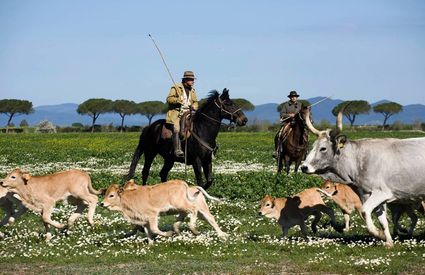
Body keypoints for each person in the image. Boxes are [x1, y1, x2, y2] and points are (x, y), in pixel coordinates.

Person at [166, 71, 199, 157]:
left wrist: (194, 106)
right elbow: (169, 99)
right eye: (191, 80)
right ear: (186, 80)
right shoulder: (176, 87)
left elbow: (195, 102)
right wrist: (177, 100)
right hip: (178, 113)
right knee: (176, 128)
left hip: (190, 113)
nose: (193, 81)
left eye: (193, 79)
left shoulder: (192, 90)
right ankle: (177, 149)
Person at [272, 91, 303, 159]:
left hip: (298, 124)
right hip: (288, 123)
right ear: (290, 97)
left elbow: (303, 114)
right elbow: (282, 114)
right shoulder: (286, 105)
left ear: (297, 97)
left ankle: (305, 151)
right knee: (279, 134)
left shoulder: (300, 105)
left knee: (305, 134)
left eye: (295, 96)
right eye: (292, 97)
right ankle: (277, 151)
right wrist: (289, 115)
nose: (293, 98)